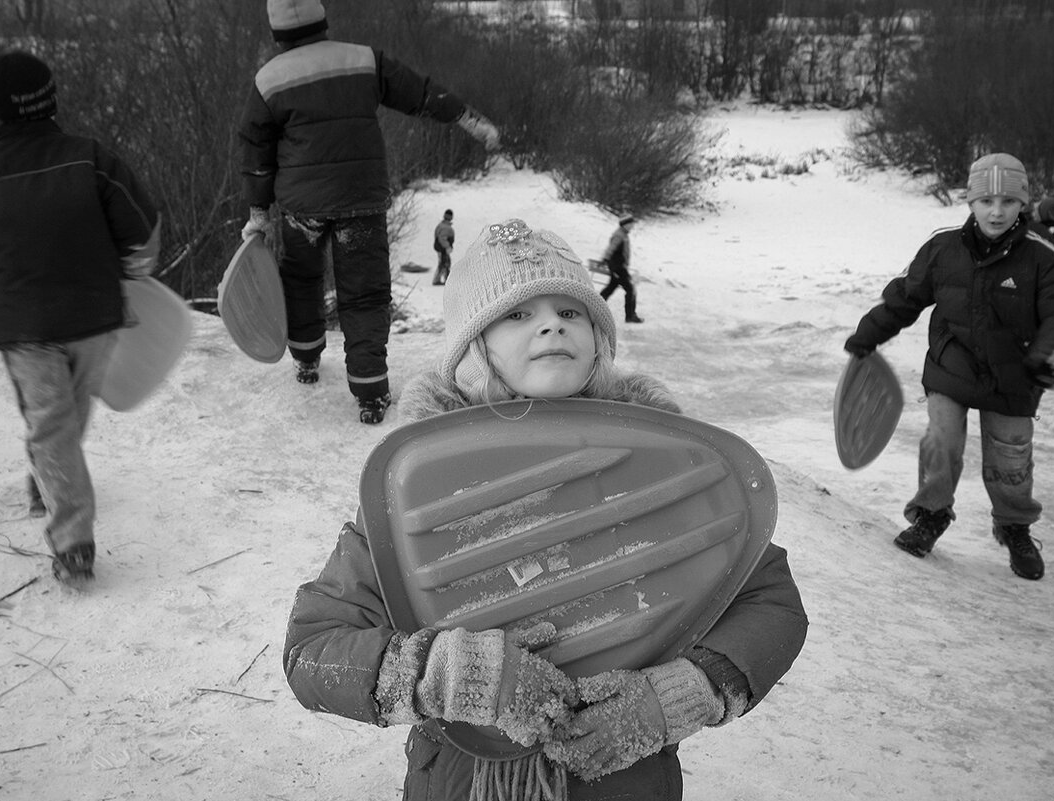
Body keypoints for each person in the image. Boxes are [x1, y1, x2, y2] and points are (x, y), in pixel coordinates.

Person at [283, 218, 808, 801]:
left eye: (572, 310)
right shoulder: (421, 492)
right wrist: (446, 675)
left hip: (623, 780)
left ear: (597, 339)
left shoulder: (666, 469)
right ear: (473, 349)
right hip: (460, 781)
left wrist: (681, 694)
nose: (552, 323)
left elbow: (773, 606)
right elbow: (315, 650)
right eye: (517, 314)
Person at [0, 51, 161, 583]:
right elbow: (143, 228)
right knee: (62, 417)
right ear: (51, 102)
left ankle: (48, 473)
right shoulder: (90, 159)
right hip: (93, 317)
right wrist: (134, 274)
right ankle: (73, 541)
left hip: (22, 328)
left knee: (54, 420)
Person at [237, 0, 501, 424]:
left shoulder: (268, 81)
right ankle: (370, 392)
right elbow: (421, 92)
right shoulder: (362, 60)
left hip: (301, 206)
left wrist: (258, 210)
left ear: (277, 34)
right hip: (361, 200)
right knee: (365, 294)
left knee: (301, 282)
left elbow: (256, 152)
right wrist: (467, 117)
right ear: (323, 20)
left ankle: (305, 358)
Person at [844, 153, 1054, 581]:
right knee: (940, 440)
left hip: (1015, 373)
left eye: (1008, 202)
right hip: (952, 365)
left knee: (1010, 459)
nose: (996, 211)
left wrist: (1046, 358)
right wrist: (868, 335)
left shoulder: (1044, 258)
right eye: (986, 200)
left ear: (1023, 205)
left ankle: (1015, 526)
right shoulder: (944, 248)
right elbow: (904, 296)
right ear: (970, 202)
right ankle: (930, 515)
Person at [600, 214, 642, 323]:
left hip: (619, 266)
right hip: (617, 267)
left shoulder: (623, 234)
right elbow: (611, 248)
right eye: (631, 224)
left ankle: (593, 307)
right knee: (630, 289)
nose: (632, 226)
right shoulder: (619, 235)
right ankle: (630, 316)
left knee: (611, 288)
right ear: (625, 224)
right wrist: (605, 259)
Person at [432, 208, 455, 285]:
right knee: (444, 263)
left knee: (445, 262)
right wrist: (447, 247)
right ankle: (439, 280)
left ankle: (445, 279)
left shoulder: (442, 225)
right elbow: (442, 238)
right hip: (442, 248)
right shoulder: (446, 227)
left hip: (440, 248)